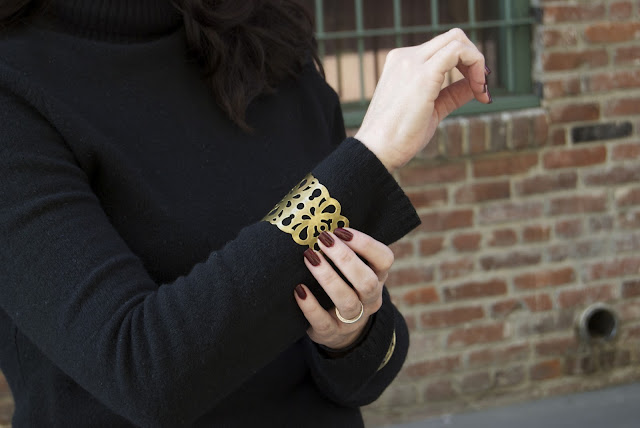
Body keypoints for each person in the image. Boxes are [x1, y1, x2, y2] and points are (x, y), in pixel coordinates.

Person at [0, 0, 491, 426]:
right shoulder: (16, 90)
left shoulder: (266, 42)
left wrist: (348, 335)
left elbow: (368, 375)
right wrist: (370, 155)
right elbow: (142, 375)